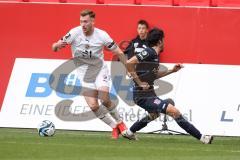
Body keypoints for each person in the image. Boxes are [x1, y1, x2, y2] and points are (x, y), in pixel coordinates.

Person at [124, 27, 213, 144]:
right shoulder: (149, 52)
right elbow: (129, 63)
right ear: (160, 41)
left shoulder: (154, 56)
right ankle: (202, 138)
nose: (164, 42)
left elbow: (153, 76)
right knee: (174, 111)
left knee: (155, 114)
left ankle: (129, 132)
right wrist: (140, 83)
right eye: (163, 40)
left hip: (149, 94)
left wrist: (172, 70)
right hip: (142, 95)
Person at [52, 9, 128, 139]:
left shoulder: (102, 35)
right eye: (81, 21)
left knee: (104, 99)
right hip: (83, 74)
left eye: (86, 21)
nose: (83, 24)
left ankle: (121, 124)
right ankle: (113, 126)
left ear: (93, 21)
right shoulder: (74, 33)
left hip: (99, 70)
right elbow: (54, 47)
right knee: (93, 106)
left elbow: (119, 52)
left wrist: (128, 67)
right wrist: (57, 45)